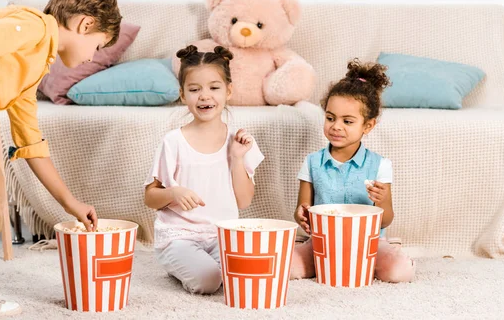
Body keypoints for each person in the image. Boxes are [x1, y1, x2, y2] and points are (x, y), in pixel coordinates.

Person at [0, 0, 121, 318]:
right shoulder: (32, 27)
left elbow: (31, 145)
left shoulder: (34, 68)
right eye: (97, 47)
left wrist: (71, 203)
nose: (93, 57)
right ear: (85, 24)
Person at [144, 45, 264, 294]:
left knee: (249, 273)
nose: (205, 96)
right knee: (210, 281)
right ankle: (180, 263)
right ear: (182, 94)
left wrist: (237, 158)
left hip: (222, 237)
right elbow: (150, 197)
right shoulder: (173, 141)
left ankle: (197, 265)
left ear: (228, 90)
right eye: (194, 89)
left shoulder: (239, 142)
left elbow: (243, 201)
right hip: (179, 237)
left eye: (214, 87)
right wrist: (173, 193)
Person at [290, 58, 415, 282]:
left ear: (368, 125)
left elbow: (385, 220)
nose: (336, 126)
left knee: (399, 272)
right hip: (323, 241)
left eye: (348, 121)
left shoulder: (380, 165)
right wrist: (301, 215)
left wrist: (382, 199)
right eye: (330, 118)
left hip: (368, 243)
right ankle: (327, 261)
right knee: (286, 267)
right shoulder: (312, 162)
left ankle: (390, 252)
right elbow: (303, 208)